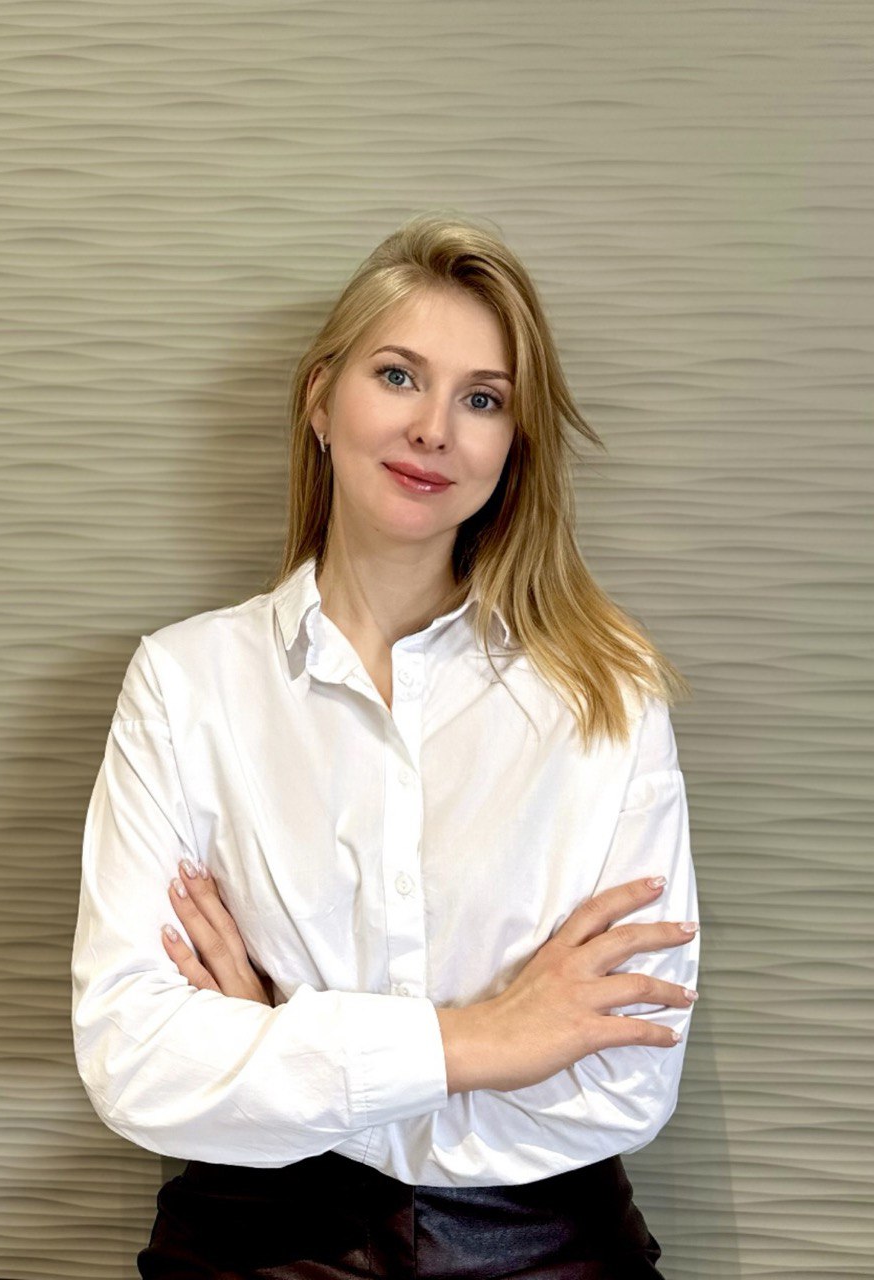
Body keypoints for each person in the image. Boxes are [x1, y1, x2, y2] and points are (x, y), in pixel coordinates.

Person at [71, 212, 701, 1278]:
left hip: (543, 1253)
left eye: (483, 399)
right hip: (253, 1252)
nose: (434, 429)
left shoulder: (608, 692)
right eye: (399, 376)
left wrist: (281, 1042)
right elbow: (134, 1061)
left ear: (513, 446)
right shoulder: (185, 684)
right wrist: (489, 1038)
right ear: (321, 398)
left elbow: (623, 1080)